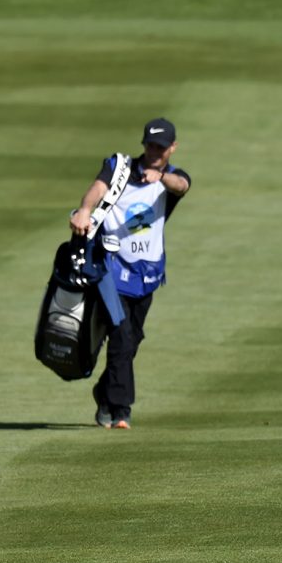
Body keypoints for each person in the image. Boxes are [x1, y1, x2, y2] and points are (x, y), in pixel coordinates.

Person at [70, 118, 192, 430]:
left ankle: (103, 393)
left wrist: (161, 177)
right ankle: (120, 410)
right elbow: (96, 190)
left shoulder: (171, 177)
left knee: (132, 339)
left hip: (147, 273)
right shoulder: (118, 167)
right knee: (122, 337)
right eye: (150, 145)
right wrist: (84, 210)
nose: (154, 151)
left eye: (161, 148)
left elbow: (184, 185)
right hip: (111, 268)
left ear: (172, 148)